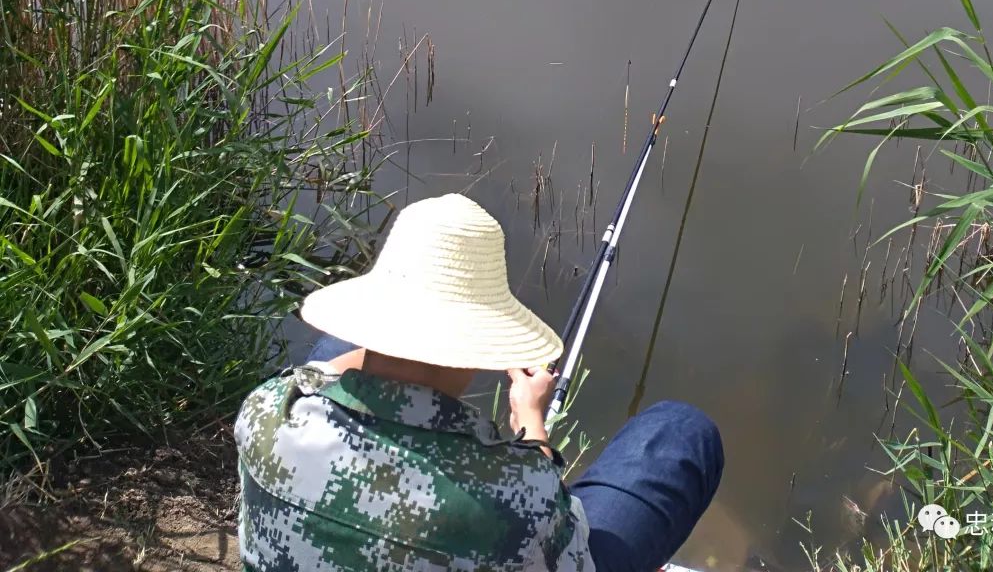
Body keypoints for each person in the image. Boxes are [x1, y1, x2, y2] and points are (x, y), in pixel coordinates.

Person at [236, 192, 723, 572]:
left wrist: (396, 336)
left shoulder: (266, 410)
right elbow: (565, 546)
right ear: (477, 351)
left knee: (329, 351)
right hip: (532, 537)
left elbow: (328, 369)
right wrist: (532, 426)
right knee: (681, 431)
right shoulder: (517, 493)